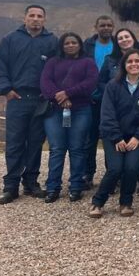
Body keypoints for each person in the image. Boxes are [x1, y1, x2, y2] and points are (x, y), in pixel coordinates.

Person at [0, 4, 59, 204]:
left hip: (41, 99)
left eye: (39, 16)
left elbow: (58, 70)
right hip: (17, 98)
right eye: (32, 15)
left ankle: (31, 182)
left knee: (36, 142)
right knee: (15, 143)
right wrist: (6, 89)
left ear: (44, 20)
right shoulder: (10, 40)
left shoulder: (52, 42)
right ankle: (10, 186)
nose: (36, 19)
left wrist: (52, 94)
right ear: (25, 18)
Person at [88, 49, 139, 218]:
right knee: (115, 168)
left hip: (136, 137)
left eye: (137, 61)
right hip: (113, 136)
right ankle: (98, 202)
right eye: (130, 61)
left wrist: (138, 137)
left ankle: (126, 203)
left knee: (132, 168)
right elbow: (107, 114)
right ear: (124, 65)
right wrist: (116, 137)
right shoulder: (113, 85)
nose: (134, 64)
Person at [40, 32, 98, 202]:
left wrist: (67, 94)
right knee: (57, 149)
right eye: (67, 43)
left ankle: (76, 186)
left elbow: (90, 83)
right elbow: (45, 82)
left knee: (77, 148)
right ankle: (52, 187)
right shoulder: (52, 62)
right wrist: (58, 97)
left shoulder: (88, 62)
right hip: (55, 111)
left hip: (81, 109)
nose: (70, 45)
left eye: (74, 42)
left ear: (80, 44)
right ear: (62, 46)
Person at [82, 14, 115, 187]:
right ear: (96, 27)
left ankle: (113, 175)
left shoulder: (118, 45)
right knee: (90, 139)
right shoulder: (87, 45)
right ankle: (88, 174)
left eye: (109, 25)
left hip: (112, 100)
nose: (106, 28)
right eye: (102, 25)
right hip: (90, 98)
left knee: (111, 138)